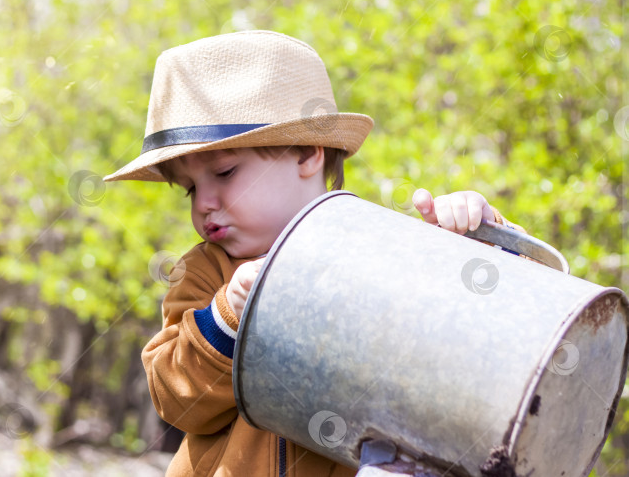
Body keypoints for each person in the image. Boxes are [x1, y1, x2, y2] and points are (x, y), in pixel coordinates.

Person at [103, 30, 526, 476]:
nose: (203, 202)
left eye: (224, 172)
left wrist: (483, 240)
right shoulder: (206, 271)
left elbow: (493, 342)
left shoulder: (381, 250)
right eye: (190, 189)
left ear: (307, 153)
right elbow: (176, 400)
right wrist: (228, 315)